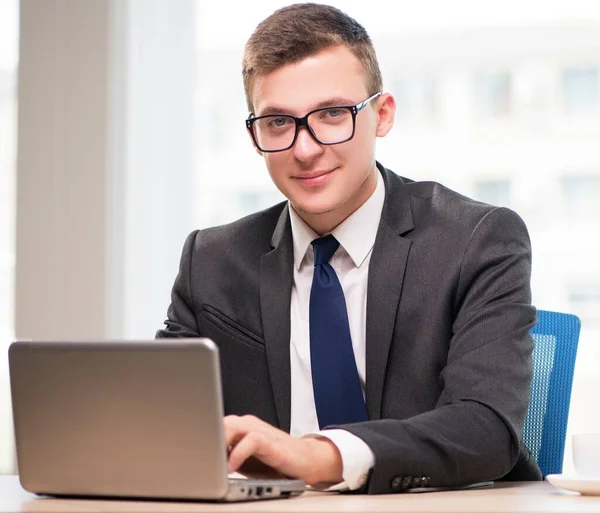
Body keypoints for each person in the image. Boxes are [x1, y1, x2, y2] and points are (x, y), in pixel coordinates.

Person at [157, 3, 542, 493]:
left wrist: (320, 456)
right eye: (277, 122)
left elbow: (485, 428)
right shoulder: (210, 261)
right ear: (255, 136)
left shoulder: (477, 239)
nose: (305, 148)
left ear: (382, 115)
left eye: (333, 114)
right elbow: (164, 422)